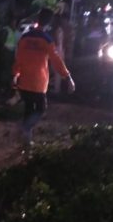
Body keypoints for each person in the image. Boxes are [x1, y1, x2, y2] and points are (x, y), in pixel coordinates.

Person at [12, 8, 75, 147]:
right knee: (41, 109)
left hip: (24, 80)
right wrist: (67, 77)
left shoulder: (25, 37)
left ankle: (27, 139)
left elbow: (19, 58)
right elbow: (56, 61)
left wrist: (15, 75)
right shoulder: (47, 40)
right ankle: (26, 129)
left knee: (29, 108)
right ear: (49, 21)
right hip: (38, 82)